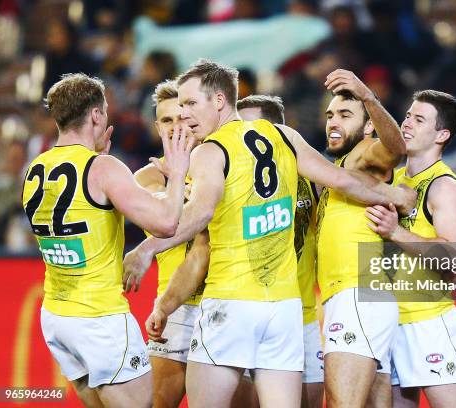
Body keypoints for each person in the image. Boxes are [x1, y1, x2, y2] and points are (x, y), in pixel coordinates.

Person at [126, 59, 416, 408]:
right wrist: (392, 195)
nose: (184, 113)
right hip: (284, 310)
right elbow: (341, 180)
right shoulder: (284, 135)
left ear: (219, 101)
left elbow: (199, 213)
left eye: (190, 103)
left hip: (230, 301)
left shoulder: (211, 150)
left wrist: (146, 250)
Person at [21, 73, 193, 407]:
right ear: (97, 116)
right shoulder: (103, 168)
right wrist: (178, 171)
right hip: (99, 318)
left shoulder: (35, 168)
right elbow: (167, 222)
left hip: (57, 317)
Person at [365, 90, 456, 408]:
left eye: (419, 119)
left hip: (428, 323)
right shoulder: (393, 180)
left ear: (442, 134)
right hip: (388, 323)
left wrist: (395, 231)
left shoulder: (444, 185)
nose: (406, 123)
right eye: (408, 115)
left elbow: (455, 259)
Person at [316, 69, 408, 407]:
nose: (333, 122)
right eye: (329, 115)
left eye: (344, 114)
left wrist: (368, 97)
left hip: (357, 292)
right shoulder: (338, 166)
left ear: (368, 124)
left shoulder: (365, 153)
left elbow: (396, 148)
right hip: (355, 296)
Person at [236, 94, 324, 408]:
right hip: (245, 313)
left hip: (302, 318)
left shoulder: (310, 179)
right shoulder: (230, 178)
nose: (243, 136)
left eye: (249, 127)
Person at [130, 79, 205, 408]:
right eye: (167, 120)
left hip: (225, 298)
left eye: (181, 116)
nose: (176, 126)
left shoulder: (219, 164)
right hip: (173, 310)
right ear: (156, 126)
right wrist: (181, 183)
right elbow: (167, 218)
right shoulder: (146, 178)